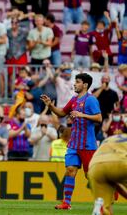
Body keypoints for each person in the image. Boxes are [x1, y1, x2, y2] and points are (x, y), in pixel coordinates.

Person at [40, 73, 102, 210]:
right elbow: (61, 113)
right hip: (74, 143)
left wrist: (82, 115)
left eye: (78, 82)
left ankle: (104, 199)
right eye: (75, 81)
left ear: (85, 85)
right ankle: (66, 203)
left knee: (90, 175)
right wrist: (50, 105)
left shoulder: (91, 100)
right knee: (70, 170)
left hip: (87, 144)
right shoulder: (74, 100)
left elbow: (99, 118)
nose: (75, 84)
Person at [89, 134, 127, 215]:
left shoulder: (110, 138)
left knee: (105, 206)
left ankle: (101, 210)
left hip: (95, 166)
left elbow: (115, 183)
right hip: (120, 162)